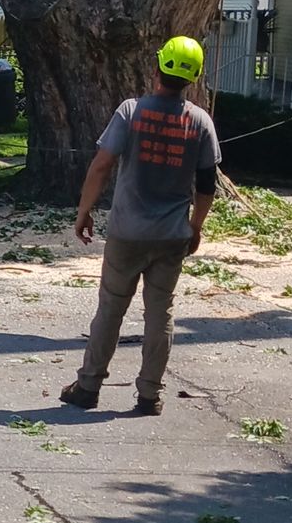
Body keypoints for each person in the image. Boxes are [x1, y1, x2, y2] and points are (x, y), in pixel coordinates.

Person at [60, 36, 220, 417]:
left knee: (111, 309)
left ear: (158, 67)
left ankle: (88, 386)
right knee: (160, 313)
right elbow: (207, 186)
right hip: (170, 237)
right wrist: (195, 227)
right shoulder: (200, 122)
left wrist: (84, 210)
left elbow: (102, 164)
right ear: (195, 76)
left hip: (127, 232)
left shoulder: (131, 112)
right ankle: (149, 395)